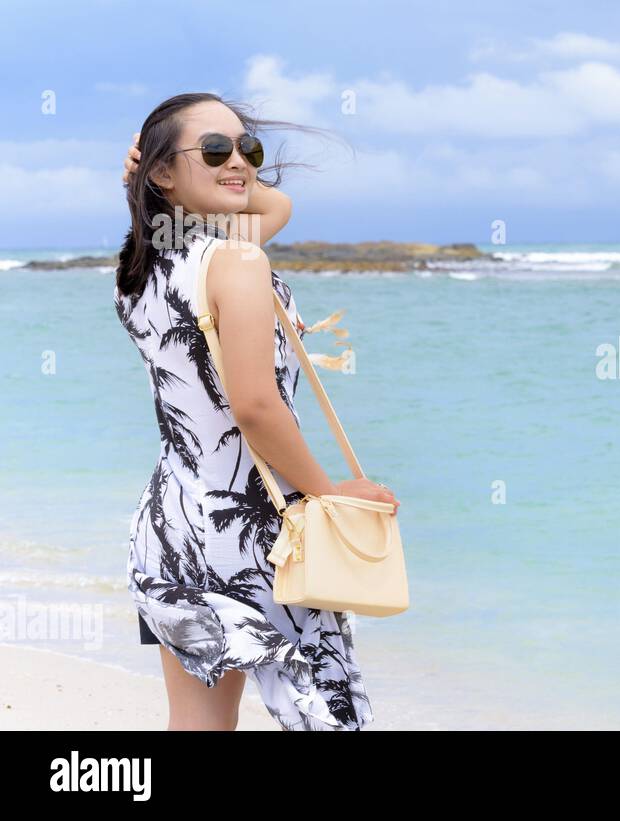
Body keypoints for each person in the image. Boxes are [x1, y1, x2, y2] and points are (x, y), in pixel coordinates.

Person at [113, 92, 397, 730]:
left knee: (198, 724)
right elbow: (257, 407)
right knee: (332, 719)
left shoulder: (144, 265)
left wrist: (170, 168)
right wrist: (330, 502)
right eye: (215, 150)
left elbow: (274, 203)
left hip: (173, 524)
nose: (239, 162)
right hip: (256, 535)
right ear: (162, 170)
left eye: (248, 148)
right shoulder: (237, 260)